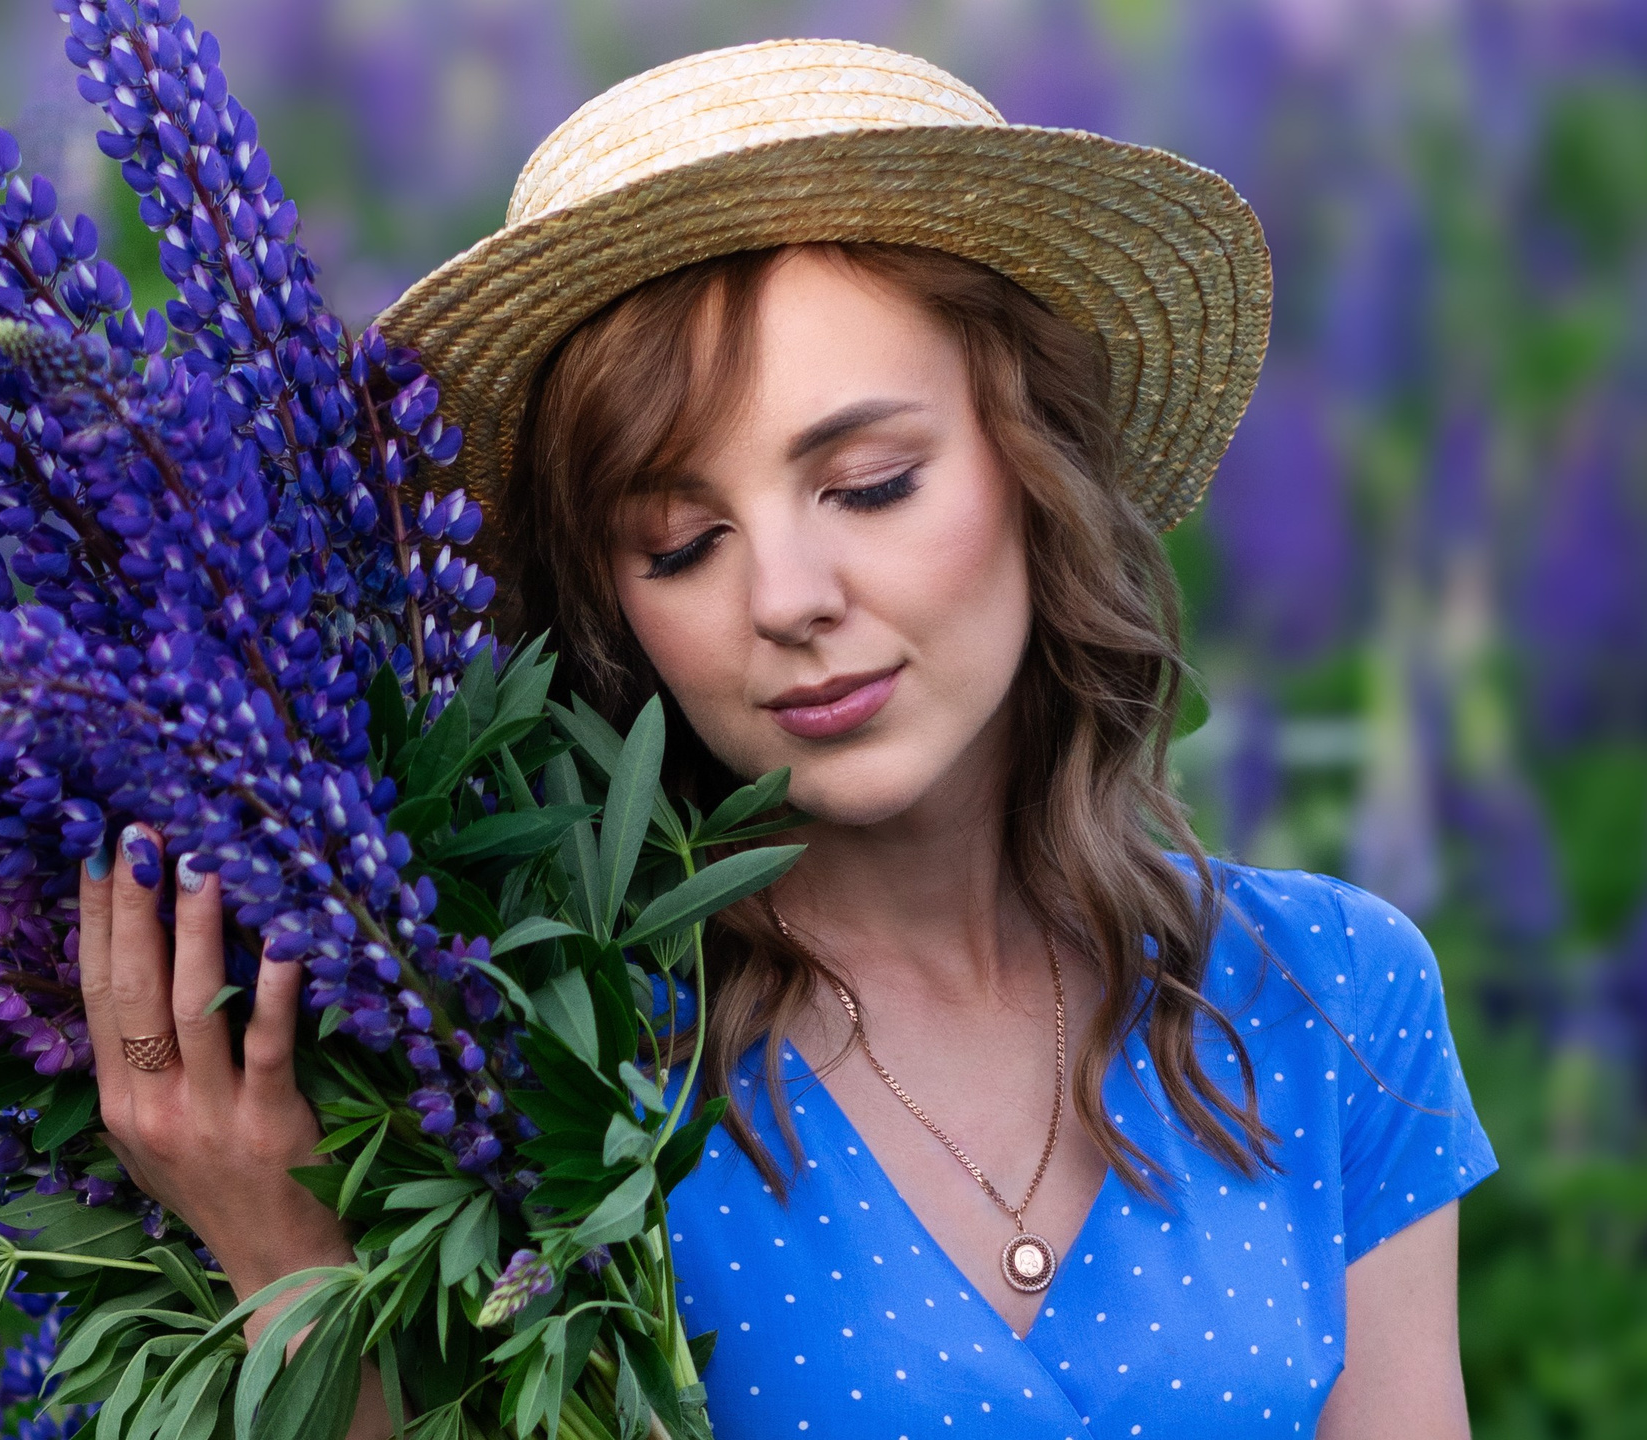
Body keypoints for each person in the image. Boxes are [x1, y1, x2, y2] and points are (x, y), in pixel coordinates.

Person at [73, 37, 1496, 1440]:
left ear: (1036, 468)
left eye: (869, 485)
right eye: (682, 542)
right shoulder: (556, 1057)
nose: (790, 602)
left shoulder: (1330, 996)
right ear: (614, 610)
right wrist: (285, 1262)